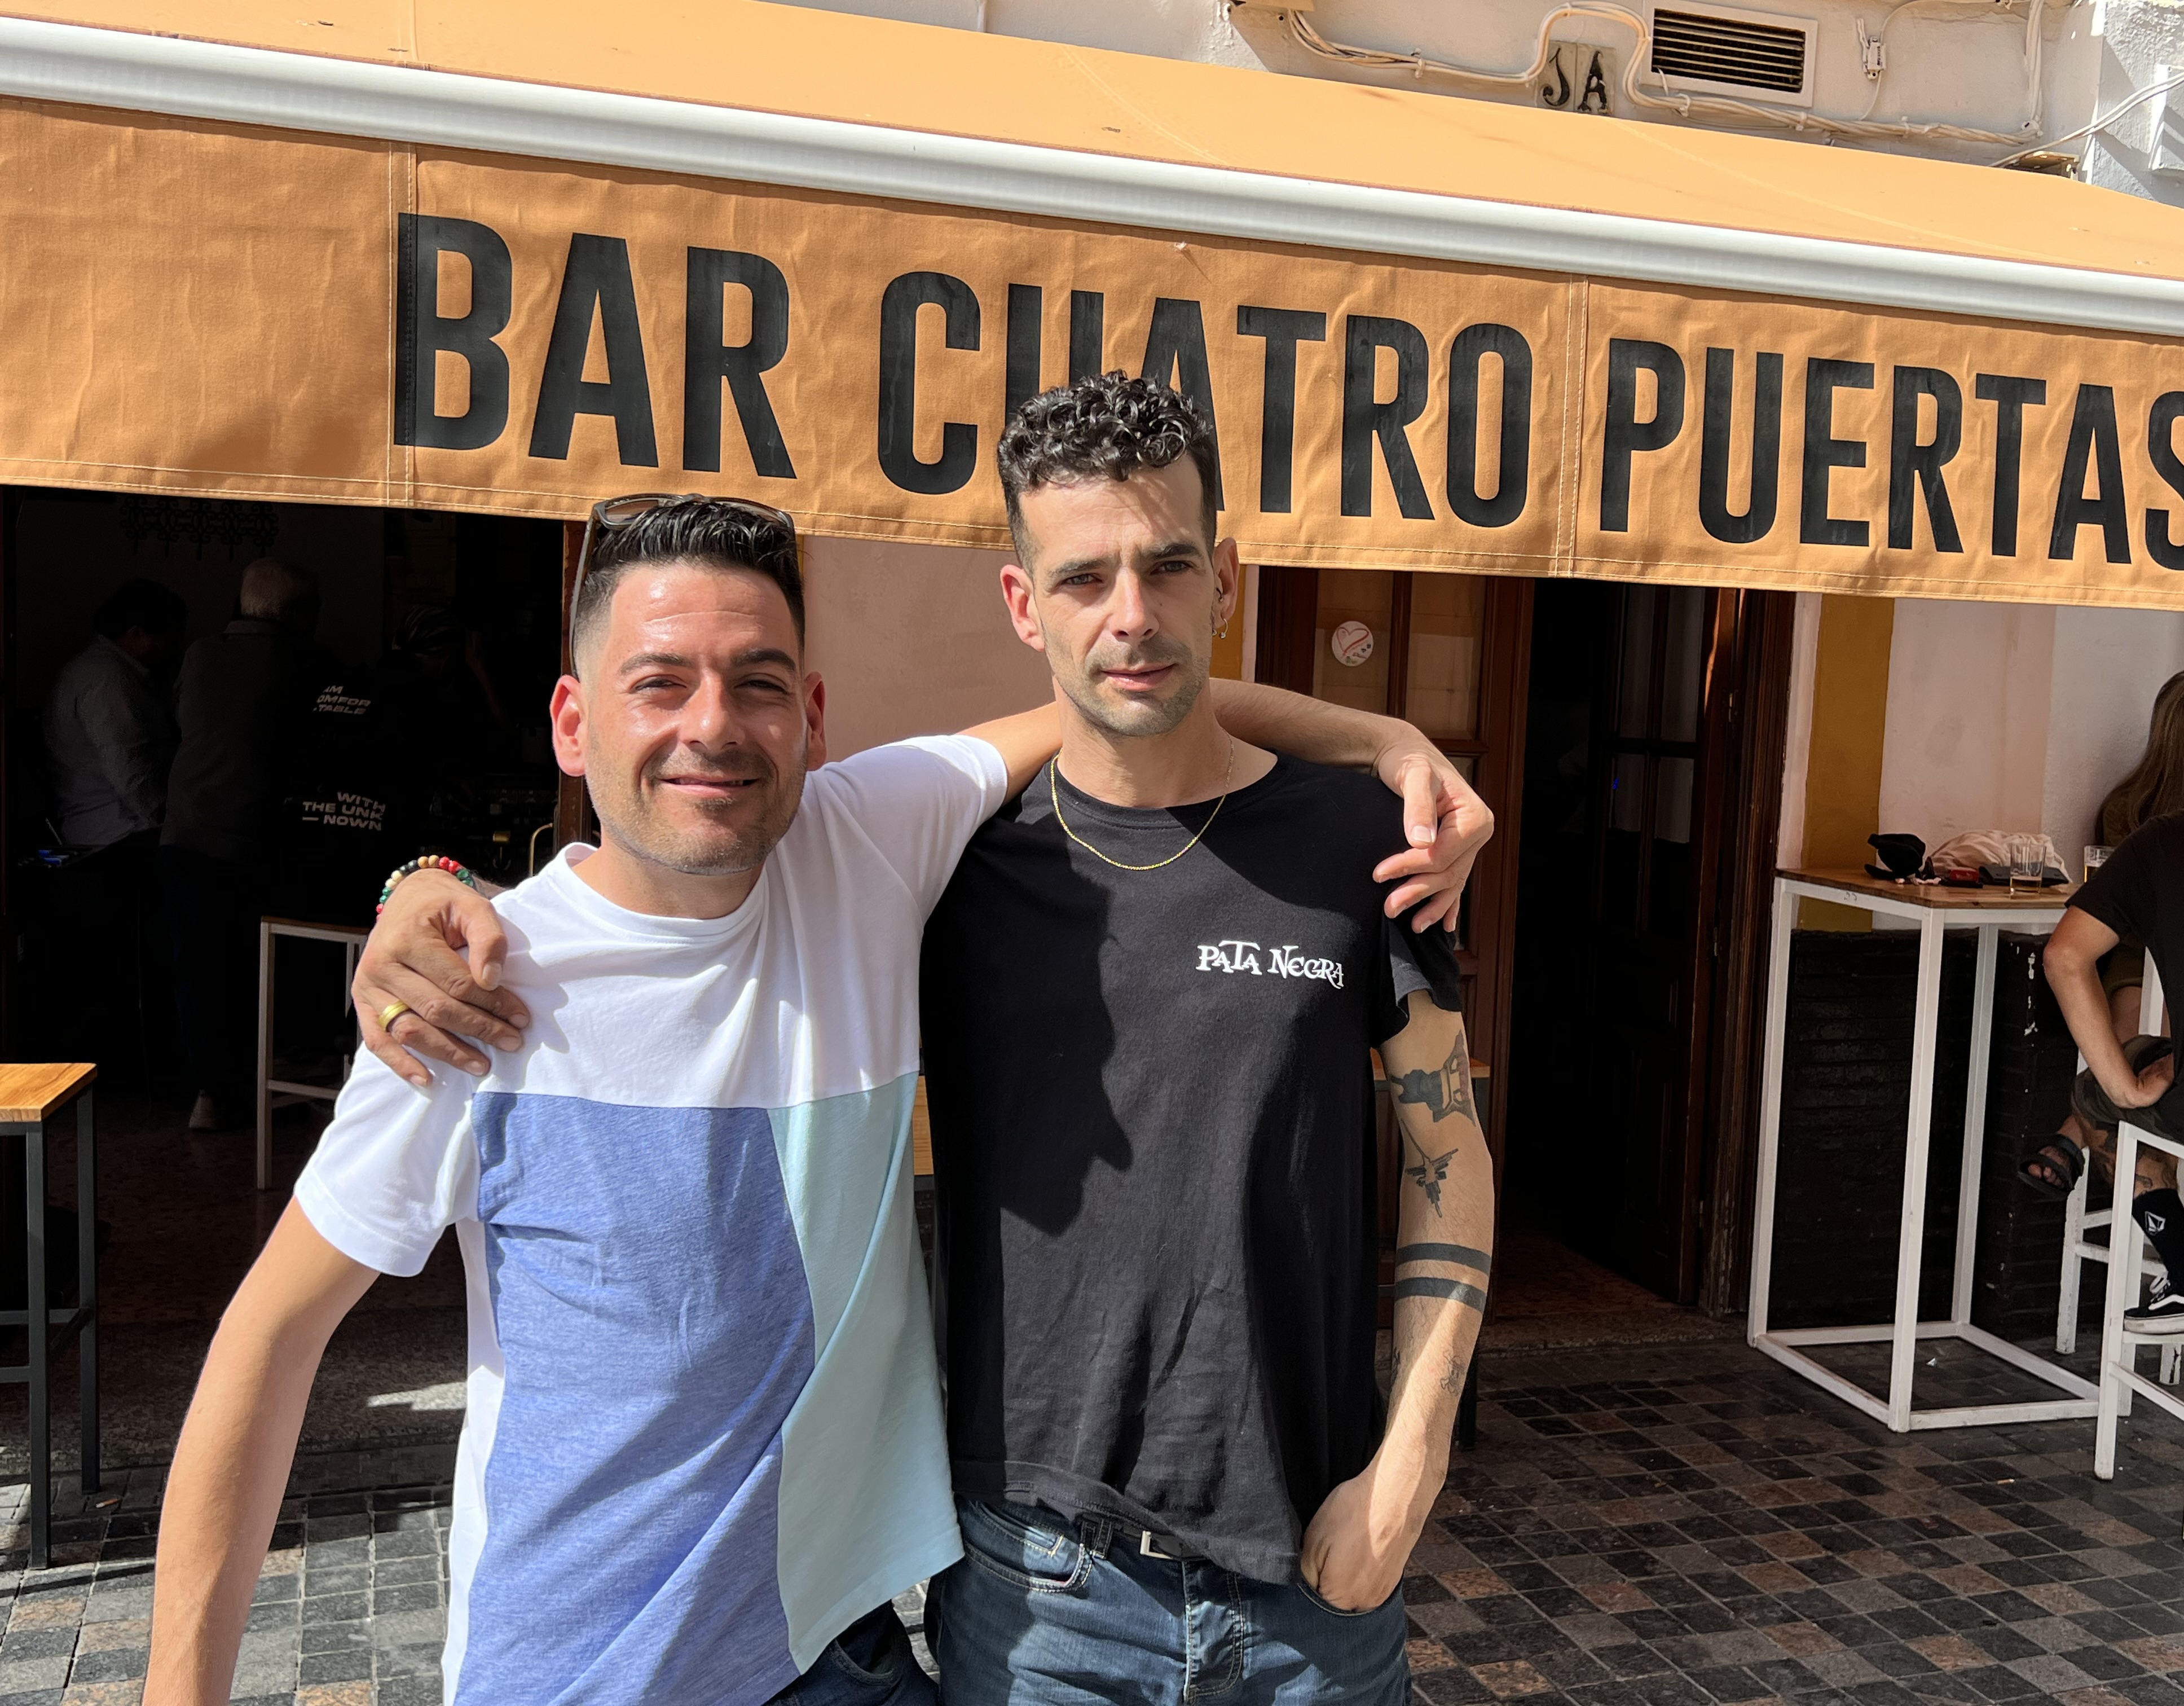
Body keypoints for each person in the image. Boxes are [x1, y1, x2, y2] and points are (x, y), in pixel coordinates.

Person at [154, 495, 1489, 1706]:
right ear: (571, 720)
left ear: (816, 715)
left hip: (844, 1658)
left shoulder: (867, 840)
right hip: (578, 1672)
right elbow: (266, 1348)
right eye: (658, 684)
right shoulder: (478, 990)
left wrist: (1382, 739)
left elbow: (1134, 689)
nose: (711, 727)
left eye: (757, 683)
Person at [918, 375, 1491, 1704]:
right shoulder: (948, 866)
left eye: (1169, 566)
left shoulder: (1362, 848)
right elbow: (682, 884)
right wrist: (425, 888)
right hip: (1035, 1592)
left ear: (1224, 578)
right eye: (1082, 579)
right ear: (1022, 604)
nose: (1132, 615)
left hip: (1314, 1574)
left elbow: (1446, 1153)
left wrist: (1413, 1462)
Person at [2020, 670, 2184, 1325]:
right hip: (2167, 962)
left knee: (2130, 1067)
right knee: (2167, 1025)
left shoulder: (2150, 812)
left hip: (2160, 964)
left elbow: (2076, 944)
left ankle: (2076, 1140)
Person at [159, 558, 332, 1131]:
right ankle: (287, 1082)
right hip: (262, 839)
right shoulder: (309, 665)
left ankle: (206, 1094)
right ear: (300, 615)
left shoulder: (200, 655)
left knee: (199, 968)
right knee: (273, 969)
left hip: (185, 832)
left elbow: (184, 726)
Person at [43, 576, 186, 851]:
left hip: (122, 824)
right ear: (136, 634)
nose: (176, 649)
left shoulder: (116, 675)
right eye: (169, 639)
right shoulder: (106, 681)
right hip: (117, 831)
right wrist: (173, 822)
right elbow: (132, 771)